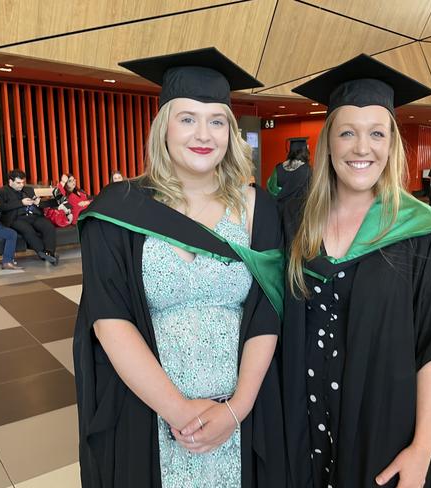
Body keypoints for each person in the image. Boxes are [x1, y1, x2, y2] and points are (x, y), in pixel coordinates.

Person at [73, 48, 285, 488]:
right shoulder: (121, 210)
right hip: (147, 409)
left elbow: (268, 312)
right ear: (163, 127)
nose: (202, 133)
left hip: (239, 409)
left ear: (230, 130)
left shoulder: (259, 210)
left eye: (216, 120)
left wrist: (236, 408)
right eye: (187, 118)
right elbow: (109, 319)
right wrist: (178, 411)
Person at [284, 54, 431, 488]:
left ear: (391, 143)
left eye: (376, 133)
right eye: (348, 132)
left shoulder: (423, 235)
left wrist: (423, 446)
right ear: (328, 143)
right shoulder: (293, 222)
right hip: (301, 428)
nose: (362, 148)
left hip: (382, 429)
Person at [0, 170, 58, 264]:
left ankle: (49, 253)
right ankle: (42, 253)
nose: (21, 185)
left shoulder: (28, 189)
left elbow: (39, 203)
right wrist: (21, 203)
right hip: (16, 218)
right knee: (27, 229)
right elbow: (2, 207)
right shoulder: (1, 191)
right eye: (18, 183)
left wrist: (37, 202)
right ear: (10, 181)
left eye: (23, 182)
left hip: (33, 215)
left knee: (48, 226)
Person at [266, 143, 312, 214]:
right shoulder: (307, 170)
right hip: (298, 215)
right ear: (304, 151)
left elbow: (271, 190)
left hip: (279, 213)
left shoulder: (279, 168)